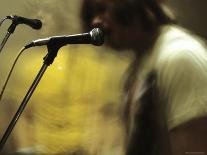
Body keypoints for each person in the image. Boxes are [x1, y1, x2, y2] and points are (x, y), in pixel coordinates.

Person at [80, 0, 207, 154]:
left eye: (103, 10)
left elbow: (196, 149)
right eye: (91, 14)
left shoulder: (180, 57)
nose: (95, 21)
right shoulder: (143, 60)